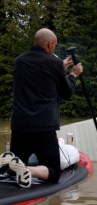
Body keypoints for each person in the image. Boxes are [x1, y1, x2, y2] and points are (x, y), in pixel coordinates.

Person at [0, 28, 83, 188]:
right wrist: (73, 75)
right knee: (53, 172)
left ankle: (12, 164)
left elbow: (41, 77)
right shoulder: (54, 64)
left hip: (20, 125)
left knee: (16, 164)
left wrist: (61, 66)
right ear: (50, 44)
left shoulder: (19, 61)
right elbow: (67, 92)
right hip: (43, 127)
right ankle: (28, 170)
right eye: (54, 45)